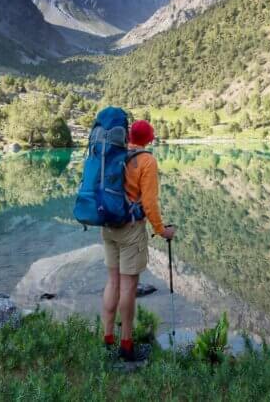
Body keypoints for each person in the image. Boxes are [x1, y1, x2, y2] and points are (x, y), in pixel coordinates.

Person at [100, 119, 174, 361]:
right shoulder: (147, 160)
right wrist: (162, 230)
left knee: (112, 283)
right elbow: (150, 203)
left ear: (130, 136)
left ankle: (107, 338)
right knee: (129, 287)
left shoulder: (116, 155)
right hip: (131, 230)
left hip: (109, 226)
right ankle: (127, 346)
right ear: (150, 139)